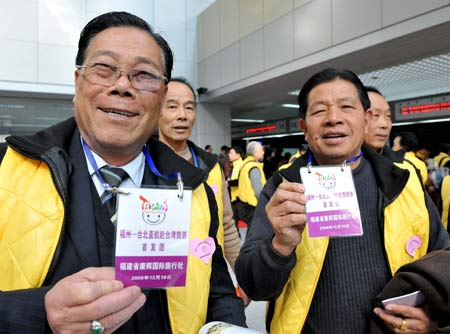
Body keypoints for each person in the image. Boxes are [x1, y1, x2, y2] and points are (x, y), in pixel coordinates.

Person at [0, 12, 245, 333]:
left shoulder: (194, 187)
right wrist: (36, 312)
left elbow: (217, 290)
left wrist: (227, 326)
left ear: (162, 94)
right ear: (77, 81)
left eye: (143, 74)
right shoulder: (7, 170)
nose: (122, 86)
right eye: (104, 69)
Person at [235, 68, 450, 334]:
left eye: (346, 107)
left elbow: (444, 264)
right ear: (303, 127)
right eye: (318, 111)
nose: (333, 119)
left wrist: (434, 318)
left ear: (366, 118)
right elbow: (255, 286)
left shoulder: (405, 183)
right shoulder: (283, 189)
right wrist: (280, 245)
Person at [158, 77, 241, 271]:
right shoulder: (141, 162)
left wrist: (240, 272)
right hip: (159, 281)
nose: (182, 115)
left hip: (210, 276)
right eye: (171, 107)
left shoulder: (210, 166)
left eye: (189, 107)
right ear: (156, 112)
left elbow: (226, 225)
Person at [364, 86, 403, 163]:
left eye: (388, 116)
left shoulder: (402, 168)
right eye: (375, 115)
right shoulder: (337, 164)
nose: (384, 124)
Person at [235, 141, 266, 227]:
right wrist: (265, 203)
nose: (263, 152)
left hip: (244, 204)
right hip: (253, 205)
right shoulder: (253, 167)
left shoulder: (245, 164)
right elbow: (258, 190)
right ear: (255, 152)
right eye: (261, 150)